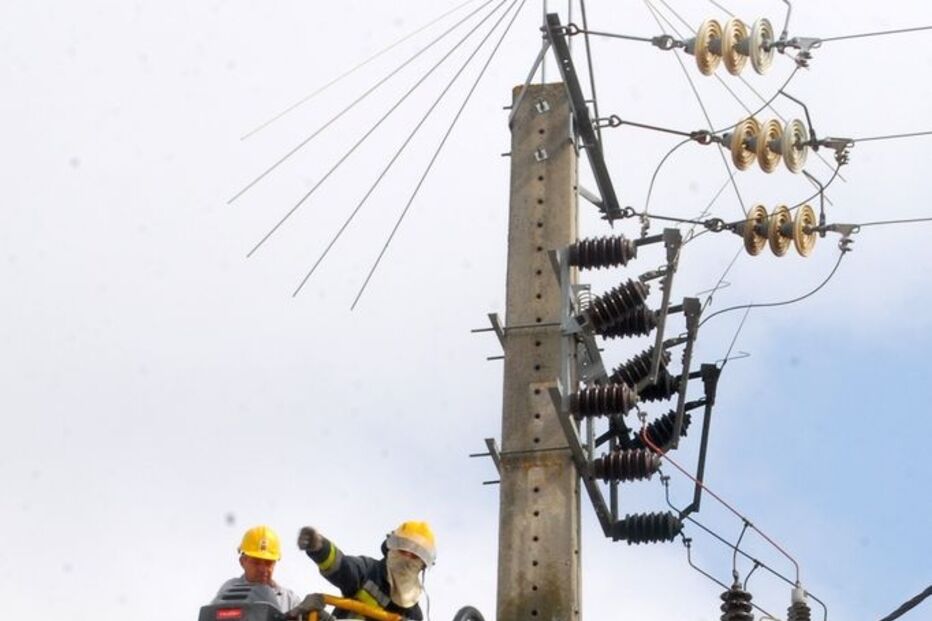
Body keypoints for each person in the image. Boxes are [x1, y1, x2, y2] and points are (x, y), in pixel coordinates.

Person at [292, 521, 436, 620]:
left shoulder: (414, 614)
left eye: (415, 556)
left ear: (423, 565)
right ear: (391, 548)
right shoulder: (369, 571)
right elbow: (343, 568)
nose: (407, 558)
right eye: (403, 550)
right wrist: (319, 547)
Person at [215, 525, 303, 614]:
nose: (262, 569)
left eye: (268, 563)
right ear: (242, 562)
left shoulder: (290, 600)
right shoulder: (229, 590)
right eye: (256, 562)